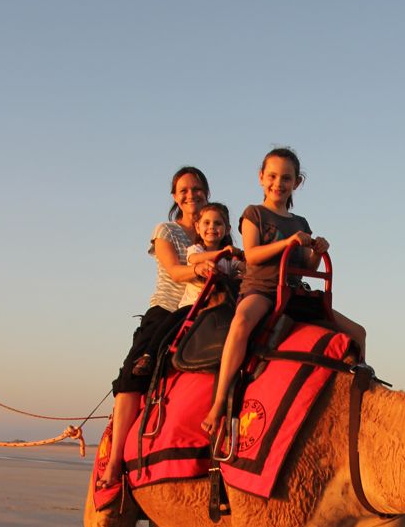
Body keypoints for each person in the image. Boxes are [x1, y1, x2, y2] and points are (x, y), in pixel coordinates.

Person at [201, 147, 365, 437]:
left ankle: (360, 397)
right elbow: (251, 255)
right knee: (241, 323)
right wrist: (289, 242)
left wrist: (317, 250)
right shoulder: (255, 214)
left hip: (294, 292)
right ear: (261, 177)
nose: (279, 183)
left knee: (358, 332)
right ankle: (218, 403)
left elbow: (305, 263)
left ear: (296, 183)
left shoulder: (300, 223)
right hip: (262, 289)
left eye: (286, 178)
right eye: (273, 176)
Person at [98, 166, 213, 489]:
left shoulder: (213, 230)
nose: (191, 195)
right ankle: (116, 461)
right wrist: (205, 268)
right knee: (132, 377)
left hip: (202, 312)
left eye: (197, 189)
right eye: (184, 190)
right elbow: (176, 272)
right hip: (166, 311)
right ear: (175, 197)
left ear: (207, 192)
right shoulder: (166, 231)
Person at [178, 202, 244, 308]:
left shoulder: (228, 260)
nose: (212, 227)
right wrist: (221, 253)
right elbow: (194, 259)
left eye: (218, 223)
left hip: (217, 306)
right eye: (206, 223)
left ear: (227, 230)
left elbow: (245, 268)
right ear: (198, 227)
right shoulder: (196, 249)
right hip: (192, 306)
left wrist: (242, 256)